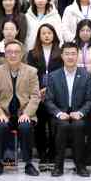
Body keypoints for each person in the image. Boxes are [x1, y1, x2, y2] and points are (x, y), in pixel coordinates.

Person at [0, 40, 41, 176]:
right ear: (5, 54)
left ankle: (28, 163)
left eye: (16, 52)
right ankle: (0, 162)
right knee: (0, 127)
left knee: (25, 127)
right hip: (5, 114)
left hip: (24, 114)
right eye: (9, 52)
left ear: (22, 54)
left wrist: (27, 114)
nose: (13, 55)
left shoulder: (31, 71)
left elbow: (35, 96)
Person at [44, 42, 91, 177]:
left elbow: (90, 100)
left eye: (73, 54)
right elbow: (48, 100)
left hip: (78, 114)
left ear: (78, 56)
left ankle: (80, 165)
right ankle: (58, 165)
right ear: (62, 56)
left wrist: (81, 112)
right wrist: (59, 113)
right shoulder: (53, 76)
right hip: (60, 114)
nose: (70, 57)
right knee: (63, 125)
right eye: (67, 54)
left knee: (78, 126)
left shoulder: (86, 75)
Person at [25, 23, 61, 163]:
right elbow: (30, 74)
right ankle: (42, 154)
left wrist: (49, 89)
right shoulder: (32, 53)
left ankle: (53, 153)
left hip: (55, 94)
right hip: (37, 94)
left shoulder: (60, 52)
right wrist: (38, 90)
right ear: (39, 36)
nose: (46, 36)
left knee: (54, 124)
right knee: (39, 124)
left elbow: (62, 74)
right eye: (43, 33)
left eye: (49, 33)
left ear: (54, 35)